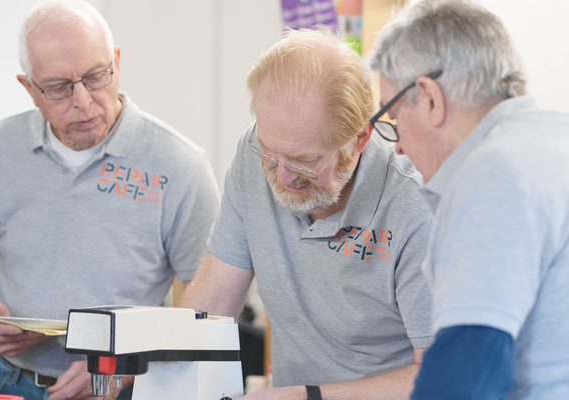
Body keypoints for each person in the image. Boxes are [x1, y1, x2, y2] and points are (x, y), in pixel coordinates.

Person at [0, 1, 220, 399]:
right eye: (58, 87)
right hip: (10, 382)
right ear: (28, 88)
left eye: (96, 77)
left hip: (124, 389)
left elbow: (210, 312)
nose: (84, 102)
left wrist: (125, 366)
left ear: (117, 62)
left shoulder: (180, 165)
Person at [180, 28, 434, 399]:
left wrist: (307, 396)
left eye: (305, 161)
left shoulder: (415, 207)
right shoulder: (253, 157)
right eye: (270, 152)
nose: (282, 177)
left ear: (360, 138)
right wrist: (133, 365)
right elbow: (212, 308)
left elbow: (444, 377)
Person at [368, 0, 569, 398]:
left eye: (392, 119)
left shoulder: (493, 174)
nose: (398, 149)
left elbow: (465, 372)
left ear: (429, 98)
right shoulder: (553, 145)